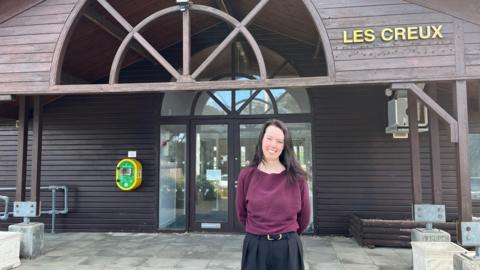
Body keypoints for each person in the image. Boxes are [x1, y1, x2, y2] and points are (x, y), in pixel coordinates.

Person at [236, 119, 310, 270]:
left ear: (285, 145)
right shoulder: (246, 175)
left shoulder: (297, 177)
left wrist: (287, 237)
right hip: (255, 247)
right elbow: (242, 214)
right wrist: (259, 233)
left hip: (288, 248)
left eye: (279, 141)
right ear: (261, 139)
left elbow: (304, 218)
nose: (273, 145)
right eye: (269, 138)